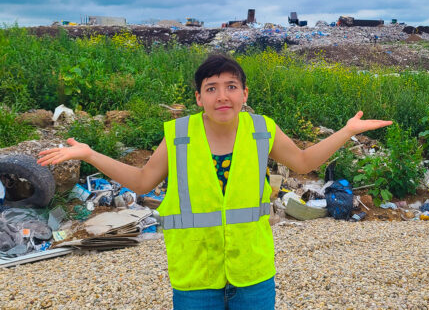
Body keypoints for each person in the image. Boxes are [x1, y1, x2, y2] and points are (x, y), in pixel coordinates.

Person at [37, 54, 392, 309]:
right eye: (212, 88)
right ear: (198, 97)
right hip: (195, 273)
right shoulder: (179, 134)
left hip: (252, 272)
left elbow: (303, 160)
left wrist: (346, 132)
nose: (222, 95)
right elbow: (143, 182)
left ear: (245, 94)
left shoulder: (261, 129)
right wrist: (90, 154)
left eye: (231, 86)